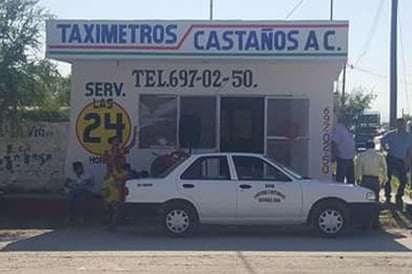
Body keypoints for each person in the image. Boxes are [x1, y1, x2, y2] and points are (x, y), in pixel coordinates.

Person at [381, 118, 412, 209]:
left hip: (401, 160)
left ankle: (399, 195)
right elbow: (382, 140)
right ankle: (388, 194)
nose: (401, 126)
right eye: (399, 124)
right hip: (391, 158)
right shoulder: (392, 134)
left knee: (403, 179)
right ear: (397, 125)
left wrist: (408, 162)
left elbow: (410, 150)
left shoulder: (409, 136)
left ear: (405, 125)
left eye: (402, 124)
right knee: (388, 178)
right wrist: (386, 149)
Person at [332, 115, 356, 184]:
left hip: (350, 159)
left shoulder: (347, 129)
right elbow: (333, 143)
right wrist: (334, 155)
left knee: (351, 181)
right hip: (342, 158)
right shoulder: (339, 129)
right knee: (340, 180)